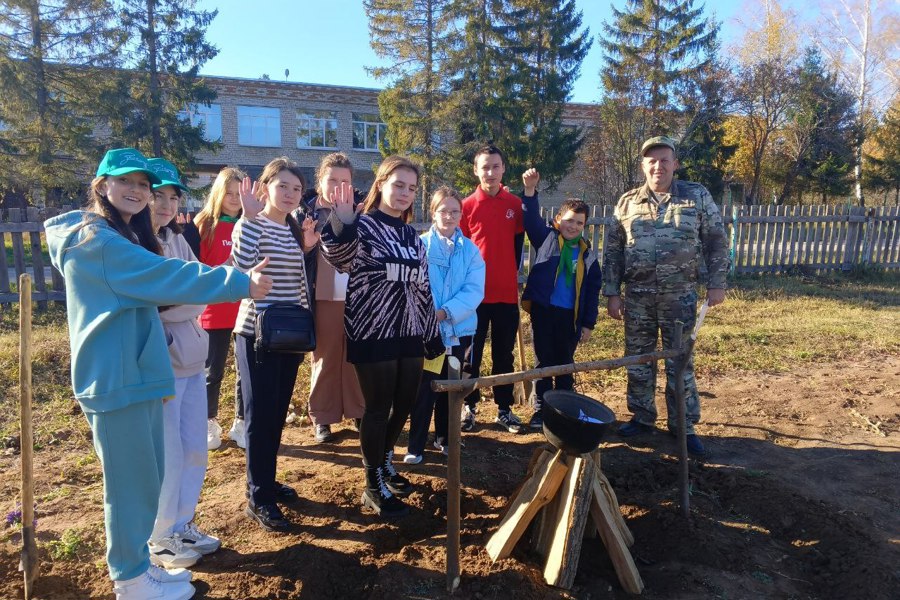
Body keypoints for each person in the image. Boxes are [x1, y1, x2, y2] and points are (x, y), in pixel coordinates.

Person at [44, 147, 272, 600]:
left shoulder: (118, 236)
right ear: (102, 186)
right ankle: (130, 580)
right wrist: (238, 281)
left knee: (146, 480)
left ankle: (141, 565)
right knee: (130, 488)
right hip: (117, 377)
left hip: (137, 371)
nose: (137, 191)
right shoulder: (98, 242)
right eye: (126, 182)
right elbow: (166, 277)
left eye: (143, 185)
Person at [320, 155, 443, 519]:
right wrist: (342, 221)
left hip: (408, 331)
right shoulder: (364, 226)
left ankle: (384, 460)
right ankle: (373, 483)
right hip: (372, 330)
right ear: (381, 184)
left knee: (404, 404)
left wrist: (431, 334)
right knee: (376, 409)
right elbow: (337, 258)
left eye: (411, 188)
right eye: (398, 185)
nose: (404, 193)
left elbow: (422, 288)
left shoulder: (411, 236)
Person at [603, 136, 728, 457]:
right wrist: (612, 293)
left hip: (680, 296)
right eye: (651, 161)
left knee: (680, 362)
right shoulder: (627, 202)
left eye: (664, 160)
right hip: (639, 298)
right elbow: (614, 252)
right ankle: (643, 417)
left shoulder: (696, 196)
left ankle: (684, 426)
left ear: (675, 163)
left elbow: (715, 239)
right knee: (639, 361)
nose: (658, 166)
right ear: (643, 165)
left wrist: (717, 282)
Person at [231, 156, 317, 532]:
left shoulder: (293, 228)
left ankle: (266, 479)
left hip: (289, 335)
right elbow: (241, 266)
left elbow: (295, 282)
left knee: (277, 413)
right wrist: (249, 219)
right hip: (256, 334)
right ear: (265, 187)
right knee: (259, 417)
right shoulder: (252, 223)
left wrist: (308, 249)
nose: (290, 193)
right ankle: (258, 496)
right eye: (283, 186)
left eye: (296, 188)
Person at [144, 158, 222, 570]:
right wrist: (183, 301)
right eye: (159, 195)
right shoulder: (136, 242)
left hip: (192, 354)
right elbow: (159, 302)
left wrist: (182, 301)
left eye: (173, 196)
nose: (166, 204)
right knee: (168, 453)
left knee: (194, 448)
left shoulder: (176, 238)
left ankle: (182, 522)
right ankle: (159, 536)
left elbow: (199, 287)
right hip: (163, 360)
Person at [404, 186, 485, 464]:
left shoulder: (471, 251)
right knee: (424, 388)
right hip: (428, 333)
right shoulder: (420, 245)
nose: (449, 217)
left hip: (459, 330)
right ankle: (415, 445)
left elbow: (474, 290)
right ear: (433, 213)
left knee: (452, 387)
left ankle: (446, 437)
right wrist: (430, 315)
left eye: (454, 211)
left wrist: (447, 312)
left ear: (461, 214)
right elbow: (414, 284)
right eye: (443, 211)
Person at [293, 153, 366, 443]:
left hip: (356, 296)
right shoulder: (303, 213)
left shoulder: (361, 211)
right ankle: (321, 416)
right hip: (321, 295)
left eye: (344, 180)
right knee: (324, 356)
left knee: (356, 355)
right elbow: (296, 255)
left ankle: (359, 409)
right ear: (319, 180)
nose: (338, 186)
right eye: (332, 179)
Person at [520, 174, 602, 430]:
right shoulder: (547, 241)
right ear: (558, 221)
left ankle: (565, 411)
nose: (573, 226)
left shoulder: (588, 257)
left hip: (571, 317)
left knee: (565, 363)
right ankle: (541, 411)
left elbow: (591, 293)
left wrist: (588, 323)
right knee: (543, 362)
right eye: (568, 221)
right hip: (544, 313)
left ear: (585, 225)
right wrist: (530, 190)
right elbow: (531, 220)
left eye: (579, 222)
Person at [459, 144, 526, 434]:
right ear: (476, 170)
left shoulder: (514, 204)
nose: (490, 172)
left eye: (495, 166)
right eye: (485, 167)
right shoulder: (465, 206)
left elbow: (517, 248)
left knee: (503, 354)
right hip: (474, 297)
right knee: (470, 354)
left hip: (506, 295)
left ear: (503, 169)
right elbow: (460, 251)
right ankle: (469, 406)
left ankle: (503, 408)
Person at [182, 167, 248, 450]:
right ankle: (209, 422)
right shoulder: (204, 224)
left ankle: (242, 423)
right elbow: (194, 266)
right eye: (229, 193)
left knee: (246, 371)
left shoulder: (251, 222)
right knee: (213, 371)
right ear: (219, 194)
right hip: (214, 311)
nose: (233, 199)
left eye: (238, 194)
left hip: (246, 310)